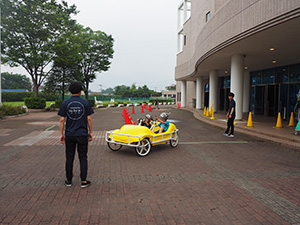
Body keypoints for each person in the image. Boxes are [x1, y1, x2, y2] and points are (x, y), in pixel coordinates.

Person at [58, 82, 94, 188]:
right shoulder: (85, 103)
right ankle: (83, 181)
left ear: (70, 91)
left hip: (69, 134)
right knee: (83, 157)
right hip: (82, 133)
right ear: (80, 91)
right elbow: (89, 118)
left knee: (69, 157)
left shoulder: (65, 103)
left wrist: (61, 134)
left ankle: (69, 180)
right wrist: (90, 132)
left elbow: (61, 120)